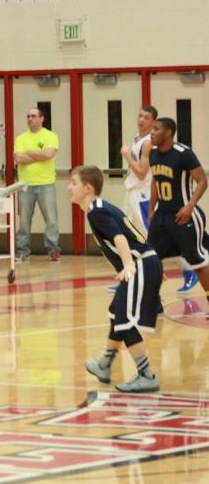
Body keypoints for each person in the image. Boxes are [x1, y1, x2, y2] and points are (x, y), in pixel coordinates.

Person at [69, 165, 163, 393]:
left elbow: (120, 238)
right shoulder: (99, 208)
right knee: (116, 313)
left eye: (73, 183)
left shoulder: (96, 211)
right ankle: (105, 364)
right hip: (144, 263)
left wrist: (129, 265)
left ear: (88, 188)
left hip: (140, 263)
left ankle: (146, 375)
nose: (69, 187)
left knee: (124, 319)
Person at [120, 105, 197, 294]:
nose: (141, 120)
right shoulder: (138, 139)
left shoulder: (148, 143)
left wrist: (127, 156)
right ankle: (129, 275)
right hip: (131, 193)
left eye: (146, 117)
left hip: (143, 194)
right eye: (139, 116)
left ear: (154, 122)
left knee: (155, 240)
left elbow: (141, 173)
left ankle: (189, 271)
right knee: (126, 235)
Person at [146, 117, 209, 311]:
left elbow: (202, 181)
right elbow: (155, 182)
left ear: (168, 133)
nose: (152, 132)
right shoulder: (153, 154)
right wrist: (151, 208)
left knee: (197, 262)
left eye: (156, 129)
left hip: (184, 215)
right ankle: (154, 303)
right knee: (150, 259)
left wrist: (190, 206)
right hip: (162, 215)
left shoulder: (184, 154)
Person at [14, 107, 60, 261]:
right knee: (24, 221)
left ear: (42, 118)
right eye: (28, 116)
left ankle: (53, 249)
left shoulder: (50, 136)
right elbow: (19, 159)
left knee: (51, 219)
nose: (30, 119)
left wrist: (29, 153)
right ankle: (22, 250)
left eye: (33, 116)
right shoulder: (20, 138)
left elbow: (49, 154)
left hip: (46, 183)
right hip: (25, 185)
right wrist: (38, 156)